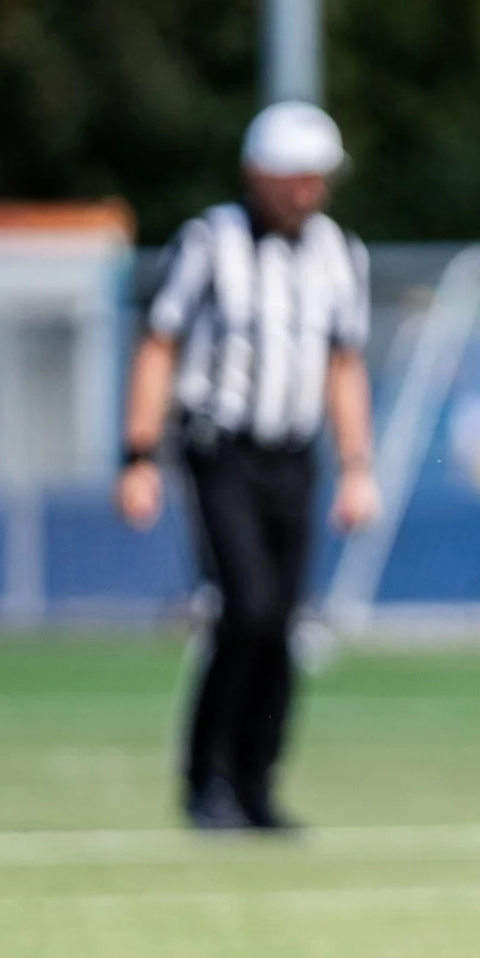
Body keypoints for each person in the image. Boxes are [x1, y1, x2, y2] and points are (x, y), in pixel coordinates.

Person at [116, 102, 380, 832]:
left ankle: (257, 785)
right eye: (295, 177)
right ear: (258, 175)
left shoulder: (339, 253)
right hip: (219, 449)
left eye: (318, 178)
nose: (309, 192)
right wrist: (137, 454)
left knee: (281, 621)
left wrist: (358, 466)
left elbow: (343, 365)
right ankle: (208, 782)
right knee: (248, 606)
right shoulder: (209, 242)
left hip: (294, 455)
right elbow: (158, 346)